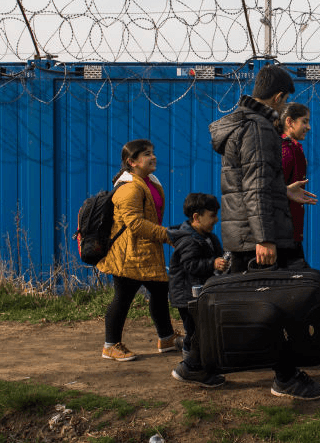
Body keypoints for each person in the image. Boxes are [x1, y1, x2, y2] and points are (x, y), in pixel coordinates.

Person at [209, 64, 320, 401]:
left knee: (227, 300)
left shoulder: (242, 124)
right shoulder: (260, 128)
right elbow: (256, 185)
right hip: (258, 232)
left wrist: (284, 191)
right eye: (284, 100)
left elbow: (253, 181)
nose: (283, 105)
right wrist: (265, 238)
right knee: (284, 302)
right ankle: (286, 377)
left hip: (244, 228)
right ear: (278, 97)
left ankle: (197, 363)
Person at [98, 139, 182, 362]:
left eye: (152, 152)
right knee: (123, 297)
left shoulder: (149, 182)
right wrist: (166, 235)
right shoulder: (130, 188)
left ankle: (166, 338)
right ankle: (110, 345)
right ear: (131, 162)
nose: (152, 157)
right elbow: (135, 223)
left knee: (159, 292)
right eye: (146, 154)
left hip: (145, 251)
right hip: (128, 254)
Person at [167, 193, 228, 387]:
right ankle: (191, 366)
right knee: (195, 332)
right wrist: (212, 264)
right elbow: (191, 266)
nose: (216, 219)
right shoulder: (188, 240)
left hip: (198, 295)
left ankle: (194, 361)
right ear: (196, 217)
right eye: (212, 215)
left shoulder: (208, 237)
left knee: (198, 331)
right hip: (187, 297)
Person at [279, 103, 312, 264]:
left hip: (289, 233)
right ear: (290, 122)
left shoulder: (293, 148)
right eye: (304, 121)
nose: (308, 127)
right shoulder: (286, 149)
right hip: (283, 236)